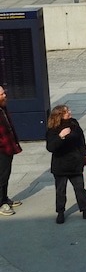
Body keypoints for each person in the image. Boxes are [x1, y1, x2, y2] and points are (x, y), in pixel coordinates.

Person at [44, 104, 86, 223]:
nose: (70, 112)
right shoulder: (53, 128)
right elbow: (50, 147)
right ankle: (60, 212)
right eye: (66, 111)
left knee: (80, 189)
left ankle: (85, 210)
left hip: (75, 164)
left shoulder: (74, 123)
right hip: (60, 165)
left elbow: (81, 138)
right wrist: (61, 136)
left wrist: (82, 153)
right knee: (60, 191)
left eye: (68, 110)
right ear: (59, 115)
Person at [0, 86, 23, 217]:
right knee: (1, 177)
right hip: (2, 149)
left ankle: (4, 198)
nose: (5, 96)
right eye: (2, 94)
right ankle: (1, 203)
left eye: (4, 93)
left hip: (7, 147)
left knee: (5, 174)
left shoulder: (2, 108)